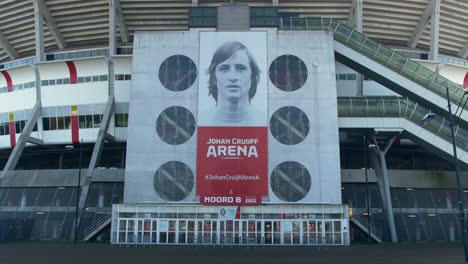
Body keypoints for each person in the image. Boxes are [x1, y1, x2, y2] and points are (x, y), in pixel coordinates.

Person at [200, 41, 265, 126]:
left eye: (240, 68)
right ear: (214, 78)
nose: (232, 77)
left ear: (252, 77)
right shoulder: (200, 121)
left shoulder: (265, 122)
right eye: (224, 68)